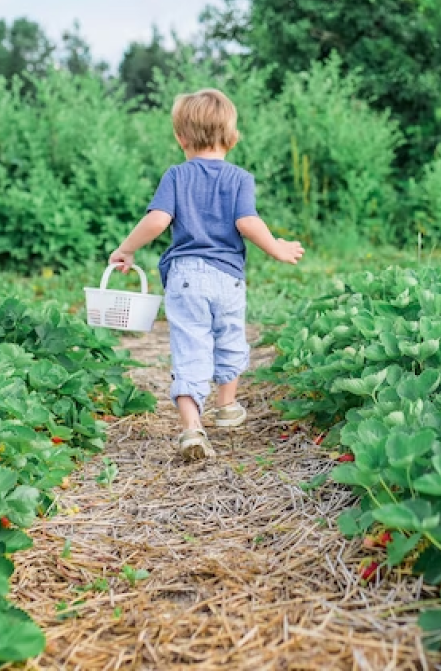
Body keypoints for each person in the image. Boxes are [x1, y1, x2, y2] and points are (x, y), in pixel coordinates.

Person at [109, 88, 304, 461]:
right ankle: (227, 405)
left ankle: (191, 429)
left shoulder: (177, 176)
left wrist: (128, 248)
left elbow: (158, 220)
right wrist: (277, 247)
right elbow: (247, 222)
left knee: (190, 348)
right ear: (232, 136)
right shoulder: (239, 178)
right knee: (230, 338)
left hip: (185, 277)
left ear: (180, 137)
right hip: (228, 277)